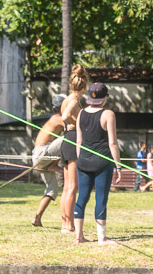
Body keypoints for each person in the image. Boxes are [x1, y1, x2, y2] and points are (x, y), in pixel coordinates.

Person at [74, 82, 122, 244]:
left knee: (82, 197)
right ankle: (102, 237)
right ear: (105, 98)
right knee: (101, 198)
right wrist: (118, 166)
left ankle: (79, 236)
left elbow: (79, 142)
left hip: (83, 162)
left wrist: (81, 161)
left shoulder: (81, 113)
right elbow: (113, 143)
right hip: (102, 162)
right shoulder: (108, 114)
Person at [60, 65, 89, 233]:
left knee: (67, 187)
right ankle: (69, 224)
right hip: (72, 140)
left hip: (66, 140)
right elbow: (65, 117)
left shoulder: (66, 99)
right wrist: (77, 123)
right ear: (83, 86)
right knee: (72, 187)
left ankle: (65, 223)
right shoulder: (74, 100)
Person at [31, 94, 68, 227]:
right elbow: (73, 128)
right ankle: (52, 165)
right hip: (41, 153)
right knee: (69, 138)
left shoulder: (57, 118)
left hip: (42, 156)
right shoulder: (58, 119)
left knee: (52, 190)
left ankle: (37, 218)